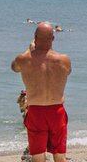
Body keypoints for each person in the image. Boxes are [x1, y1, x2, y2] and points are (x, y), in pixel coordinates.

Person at [11, 22, 72, 162]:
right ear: (53, 39)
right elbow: (68, 72)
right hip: (57, 111)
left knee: (38, 155)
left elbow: (14, 68)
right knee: (60, 155)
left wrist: (29, 50)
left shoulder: (24, 59)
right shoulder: (64, 60)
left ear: (34, 37)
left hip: (36, 111)